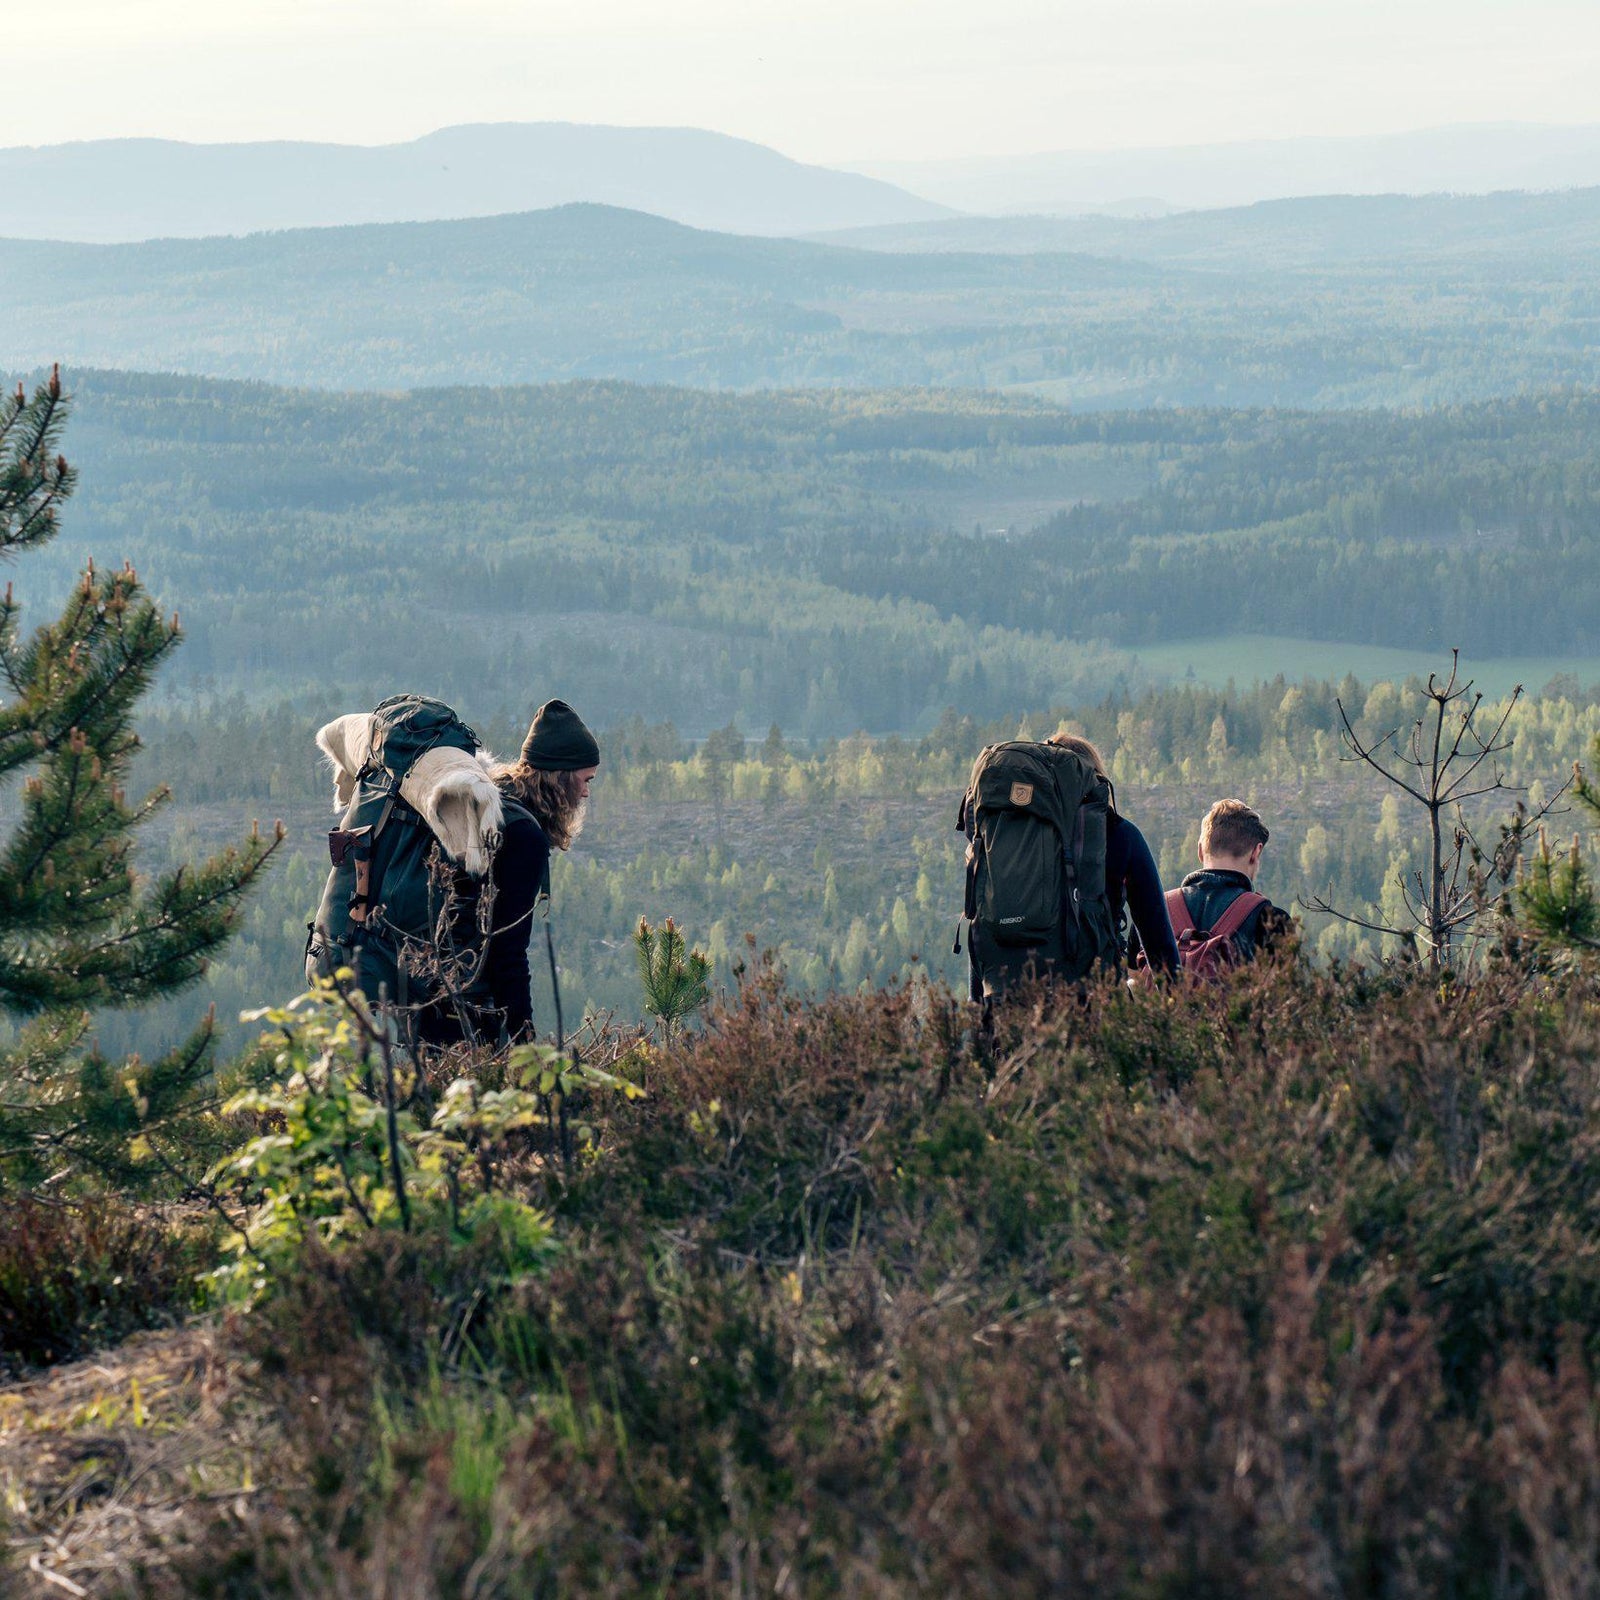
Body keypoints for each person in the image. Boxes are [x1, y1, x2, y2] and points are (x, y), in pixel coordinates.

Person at [414, 698, 599, 1049]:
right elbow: (508, 948)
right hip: (468, 1006)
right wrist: (522, 1038)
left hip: (430, 992)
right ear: (561, 774)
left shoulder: (496, 800)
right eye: (585, 779)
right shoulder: (522, 836)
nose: (587, 791)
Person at [1046, 732, 1180, 975]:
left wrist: (978, 1005)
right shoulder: (1120, 833)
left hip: (1010, 990)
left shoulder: (1011, 834)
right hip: (1093, 989)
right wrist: (1177, 1003)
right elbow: (1156, 932)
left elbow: (982, 917)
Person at [1171, 797, 1294, 965]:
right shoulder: (1272, 921)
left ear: (1200, 850)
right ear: (1255, 853)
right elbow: (1285, 987)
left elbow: (1133, 984)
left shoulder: (1153, 911)